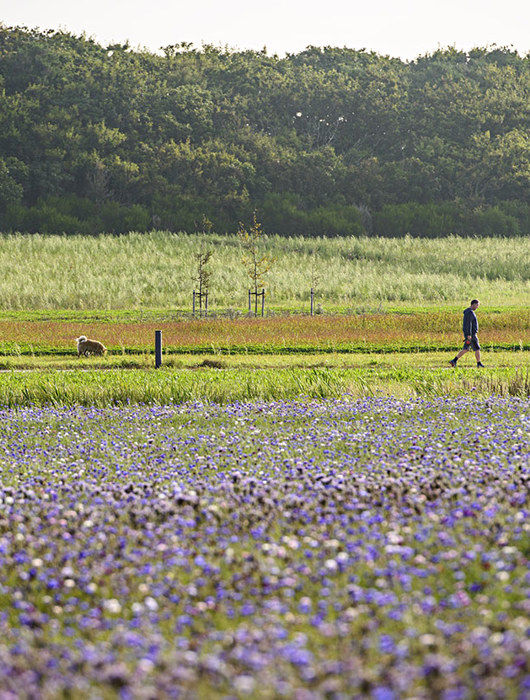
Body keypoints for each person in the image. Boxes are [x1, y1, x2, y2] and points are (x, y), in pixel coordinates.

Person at [449, 299, 485, 368]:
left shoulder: (468, 312)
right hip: (471, 335)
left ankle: (454, 360)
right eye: (477, 305)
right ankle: (479, 363)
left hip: (470, 335)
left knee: (466, 348)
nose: (477, 307)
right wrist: (469, 335)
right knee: (477, 348)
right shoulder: (470, 313)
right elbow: (468, 324)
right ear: (473, 304)